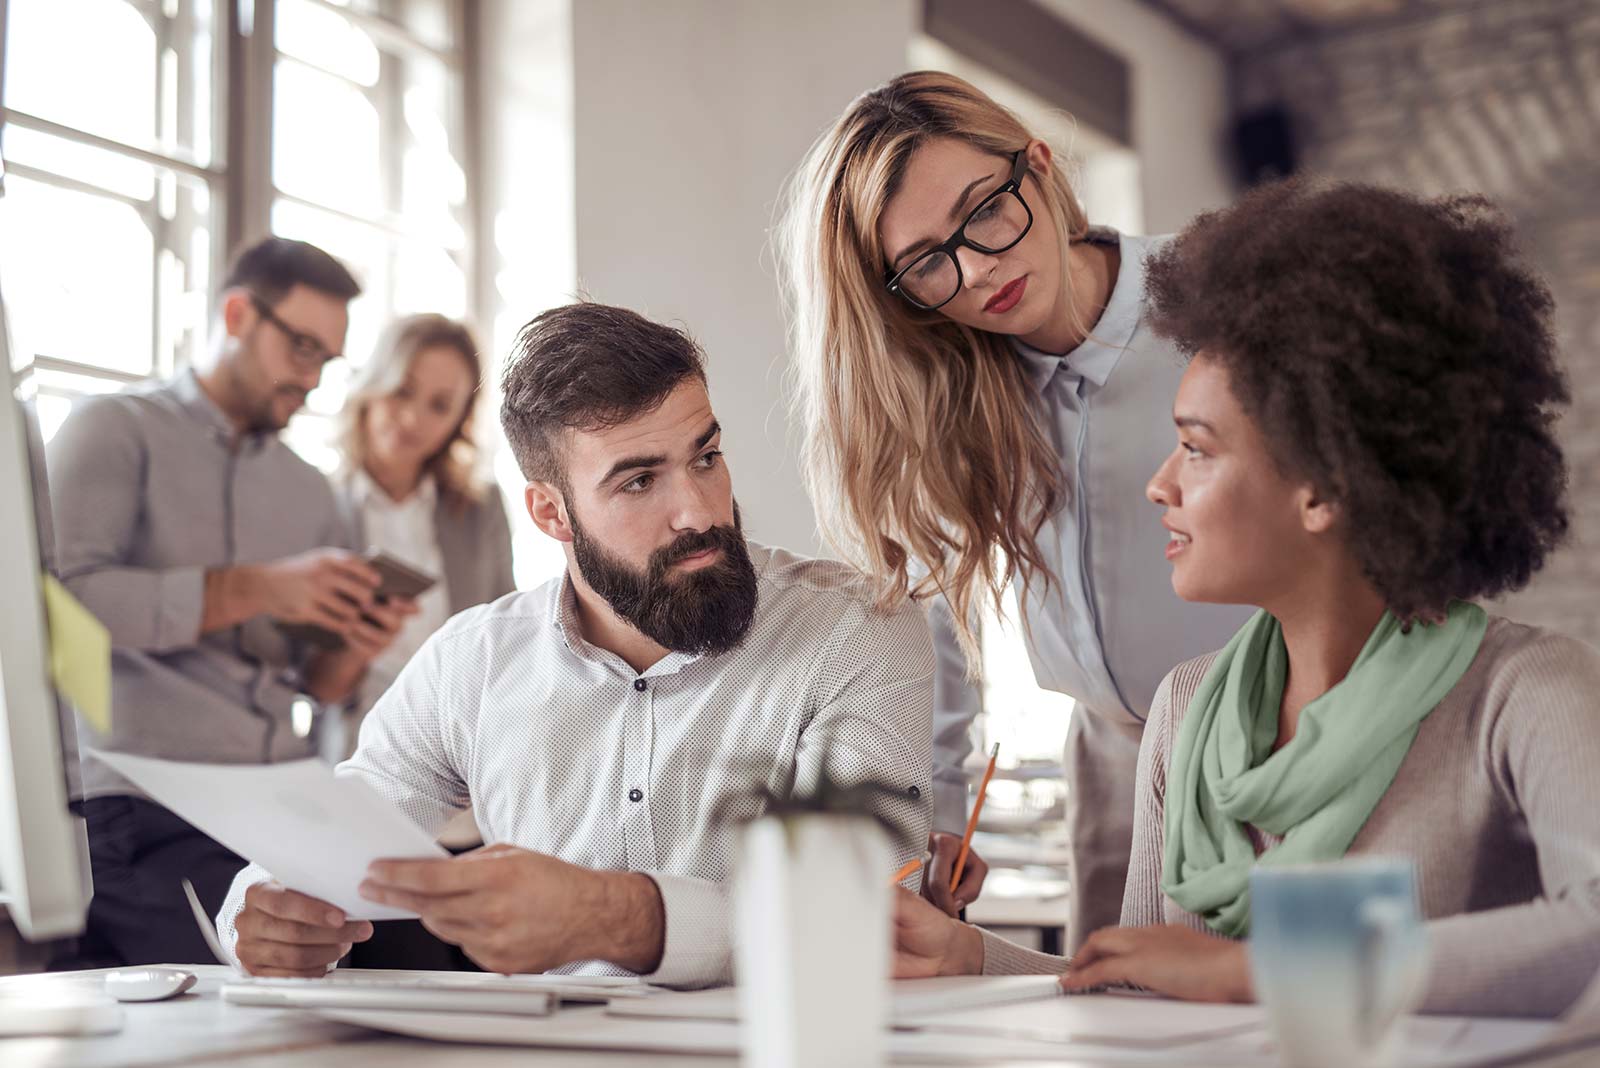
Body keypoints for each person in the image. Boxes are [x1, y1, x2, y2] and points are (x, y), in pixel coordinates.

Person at [888, 180, 1600, 1017]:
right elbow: (1143, 981)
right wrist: (971, 954)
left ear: (1324, 487)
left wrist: (1267, 971)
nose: (1159, 485)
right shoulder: (1186, 708)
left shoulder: (1523, 690)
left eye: (1196, 449)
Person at [214, 302, 935, 987]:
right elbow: (337, 828)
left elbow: (866, 923)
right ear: (551, 512)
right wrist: (261, 908)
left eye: (705, 457)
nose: (697, 511)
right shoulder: (472, 662)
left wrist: (614, 918)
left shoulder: (858, 629)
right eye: (640, 481)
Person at [780, 70, 1248, 939]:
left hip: (1273, 739)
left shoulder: (1222, 303)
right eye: (925, 263)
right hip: (1112, 766)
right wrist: (936, 814)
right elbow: (934, 619)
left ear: (1037, 166)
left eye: (986, 209)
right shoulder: (952, 390)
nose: (977, 268)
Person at [46, 237, 416, 967]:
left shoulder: (311, 492)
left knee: (429, 954)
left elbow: (319, 686)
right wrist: (260, 585)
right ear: (239, 314)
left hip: (284, 803)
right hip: (145, 802)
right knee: (275, 990)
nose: (312, 379)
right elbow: (62, 606)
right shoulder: (113, 430)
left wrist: (355, 646)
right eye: (302, 347)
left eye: (327, 359)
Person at [331, 313, 515, 720]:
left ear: (459, 420)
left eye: (440, 405)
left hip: (463, 735)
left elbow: (509, 637)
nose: (413, 419)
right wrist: (357, 649)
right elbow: (314, 688)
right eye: (402, 391)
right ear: (373, 385)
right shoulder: (319, 504)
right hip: (357, 739)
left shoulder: (480, 510)